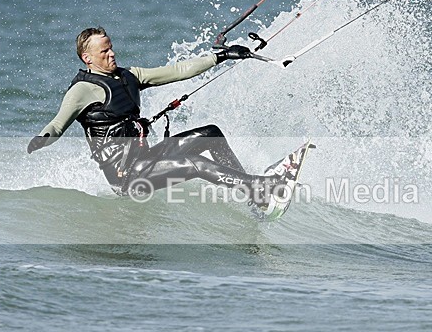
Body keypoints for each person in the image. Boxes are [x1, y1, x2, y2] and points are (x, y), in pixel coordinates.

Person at [27, 27, 297, 210]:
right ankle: (259, 189)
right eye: (104, 53)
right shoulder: (82, 90)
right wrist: (43, 139)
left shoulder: (129, 75)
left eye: (111, 49)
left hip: (147, 158)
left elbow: (178, 70)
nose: (112, 55)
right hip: (127, 176)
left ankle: (250, 192)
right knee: (196, 164)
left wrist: (220, 56)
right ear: (87, 58)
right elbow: (57, 124)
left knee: (210, 133)